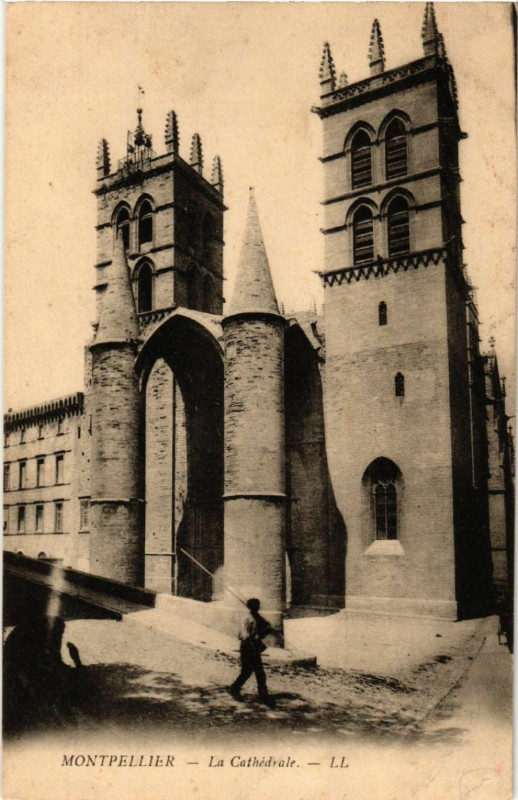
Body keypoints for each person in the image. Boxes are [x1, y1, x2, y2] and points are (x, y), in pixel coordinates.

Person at [229, 598, 279, 704]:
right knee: (248, 671)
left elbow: (261, 632)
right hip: (248, 646)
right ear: (252, 607)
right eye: (257, 606)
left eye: (258, 605)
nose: (258, 607)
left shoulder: (257, 618)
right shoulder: (247, 619)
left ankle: (262, 695)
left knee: (258, 672)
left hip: (253, 646)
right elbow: (243, 635)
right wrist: (260, 632)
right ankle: (235, 688)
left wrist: (266, 629)